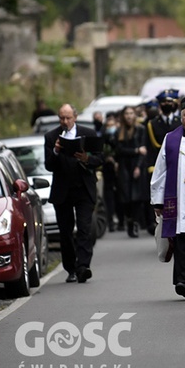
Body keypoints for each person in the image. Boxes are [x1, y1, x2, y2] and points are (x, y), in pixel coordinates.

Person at [149, 93, 185, 299]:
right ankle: (184, 281)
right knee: (182, 239)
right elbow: (160, 171)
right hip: (180, 198)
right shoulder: (171, 138)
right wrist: (157, 200)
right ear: (181, 117)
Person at [44, 104, 103, 283]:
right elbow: (49, 165)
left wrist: (87, 158)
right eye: (62, 118)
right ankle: (70, 268)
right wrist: (55, 151)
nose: (65, 121)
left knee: (85, 228)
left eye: (68, 118)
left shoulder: (89, 133)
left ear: (75, 117)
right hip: (63, 191)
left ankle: (84, 266)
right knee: (65, 232)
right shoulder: (51, 136)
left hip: (84, 189)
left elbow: (100, 159)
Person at [144, 89, 181, 234]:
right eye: (164, 102)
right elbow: (150, 147)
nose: (167, 104)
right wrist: (150, 167)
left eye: (170, 102)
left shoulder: (180, 122)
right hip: (158, 166)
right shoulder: (152, 124)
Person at [113, 106, 148, 237]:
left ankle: (135, 223)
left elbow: (143, 150)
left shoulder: (141, 129)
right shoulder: (118, 132)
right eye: (126, 113)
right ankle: (129, 221)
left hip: (136, 165)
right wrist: (135, 150)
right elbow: (119, 150)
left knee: (137, 198)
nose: (129, 116)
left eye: (131, 113)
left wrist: (139, 166)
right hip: (123, 166)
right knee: (125, 198)